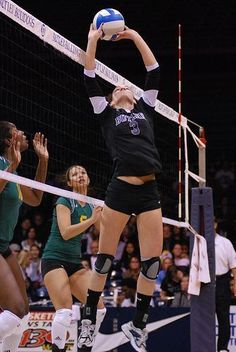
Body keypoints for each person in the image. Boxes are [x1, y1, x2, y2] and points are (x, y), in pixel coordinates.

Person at [78, 24, 163, 352]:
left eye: (126, 84)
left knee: (152, 264)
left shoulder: (146, 110)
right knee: (103, 261)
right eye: (117, 86)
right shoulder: (105, 112)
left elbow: (153, 70)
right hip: (120, 189)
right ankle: (88, 320)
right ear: (113, 98)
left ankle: (138, 326)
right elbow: (88, 76)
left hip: (149, 191)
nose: (123, 84)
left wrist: (132, 35)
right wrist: (92, 40)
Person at [41, 165, 106, 352]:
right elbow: (66, 233)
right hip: (53, 259)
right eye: (75, 174)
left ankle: (84, 347)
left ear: (89, 179)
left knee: (99, 309)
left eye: (83, 172)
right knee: (64, 312)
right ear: (69, 182)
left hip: (74, 262)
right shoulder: (64, 200)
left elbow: (103, 232)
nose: (80, 176)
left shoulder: (94, 204)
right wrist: (92, 220)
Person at [0, 121, 48, 352]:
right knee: (15, 310)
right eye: (17, 131)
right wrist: (11, 167)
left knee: (24, 314)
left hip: (3, 246)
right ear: (9, 140)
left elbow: (36, 198)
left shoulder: (14, 171)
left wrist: (43, 161)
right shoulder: (2, 166)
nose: (23, 133)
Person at [215, 221, 236, 352]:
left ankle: (222, 348)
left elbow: (234, 266)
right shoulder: (200, 242)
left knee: (223, 318)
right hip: (205, 284)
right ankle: (204, 347)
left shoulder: (225, 242)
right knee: (204, 317)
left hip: (222, 281)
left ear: (215, 224)